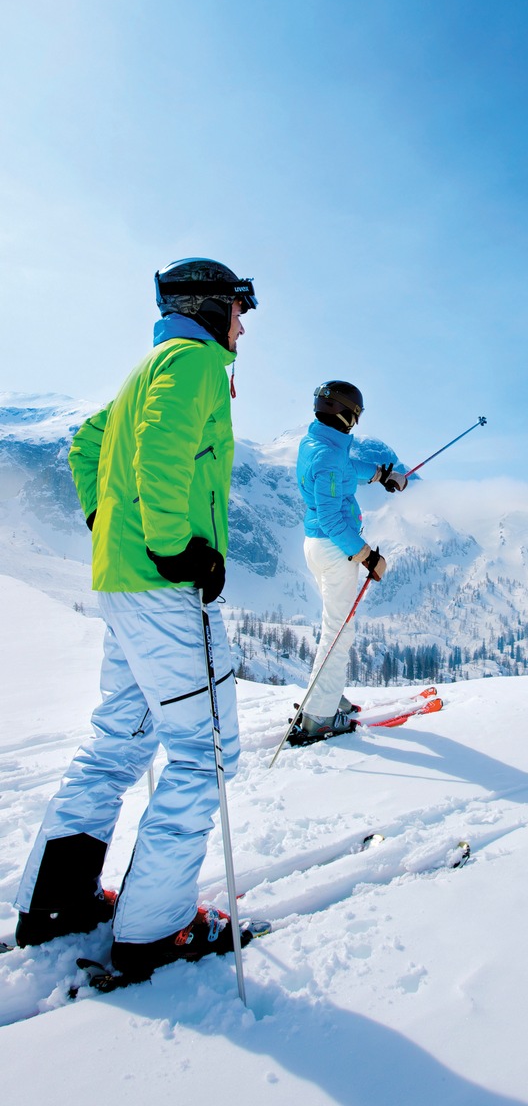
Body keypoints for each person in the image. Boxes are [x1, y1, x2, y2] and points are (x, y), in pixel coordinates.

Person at [14, 257, 257, 983]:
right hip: (160, 586)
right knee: (204, 752)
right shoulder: (196, 363)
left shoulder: (150, 367)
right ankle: (156, 928)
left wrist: (105, 520)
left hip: (123, 584)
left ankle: (55, 903)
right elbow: (158, 451)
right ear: (211, 305)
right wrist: (175, 547)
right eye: (240, 308)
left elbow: (87, 441)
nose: (243, 325)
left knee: (119, 742)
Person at [290, 380, 407, 746]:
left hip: (318, 546)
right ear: (346, 413)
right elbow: (330, 517)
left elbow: (345, 468)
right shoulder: (326, 455)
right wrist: (367, 555)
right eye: (355, 414)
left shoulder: (319, 443)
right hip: (333, 547)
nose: (355, 421)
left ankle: (325, 695)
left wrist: (379, 474)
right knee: (339, 632)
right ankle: (319, 719)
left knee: (334, 626)